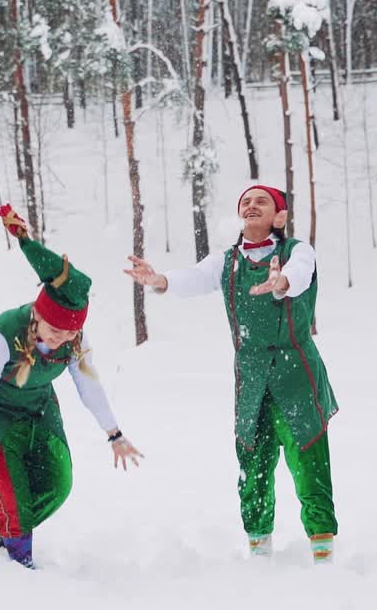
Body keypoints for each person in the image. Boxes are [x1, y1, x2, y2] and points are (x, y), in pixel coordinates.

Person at [123, 185, 339, 564]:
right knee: (253, 468)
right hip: (251, 381)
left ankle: (323, 556)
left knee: (310, 465)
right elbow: (192, 277)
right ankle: (260, 555)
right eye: (246, 202)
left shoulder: (297, 252)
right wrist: (160, 281)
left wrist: (281, 282)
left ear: (280, 216)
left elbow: (300, 274)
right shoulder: (227, 262)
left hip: (298, 378)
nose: (251, 205)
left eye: (262, 201)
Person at [0, 205, 143, 569]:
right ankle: (18, 562)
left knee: (57, 482)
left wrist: (114, 433)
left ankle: (8, 526)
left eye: (70, 332)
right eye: (55, 330)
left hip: (36, 405)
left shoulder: (72, 339)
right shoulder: (4, 335)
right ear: (38, 315)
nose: (61, 339)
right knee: (10, 488)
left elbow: (89, 386)